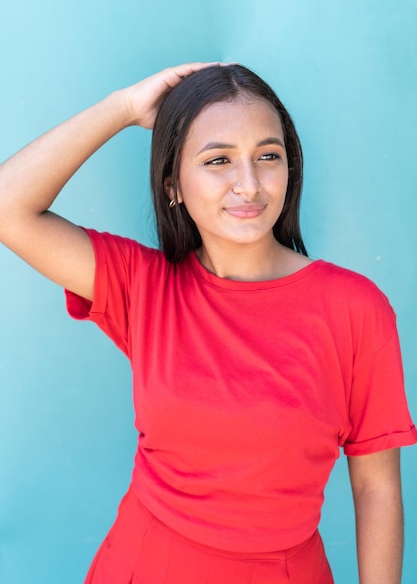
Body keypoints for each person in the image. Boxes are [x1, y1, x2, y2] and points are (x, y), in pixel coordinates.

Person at [1, 62, 416, 584]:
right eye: (219, 159)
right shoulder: (143, 286)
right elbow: (7, 207)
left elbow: (376, 487)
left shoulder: (357, 309)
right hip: (140, 564)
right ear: (173, 183)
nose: (249, 184)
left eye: (268, 156)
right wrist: (124, 108)